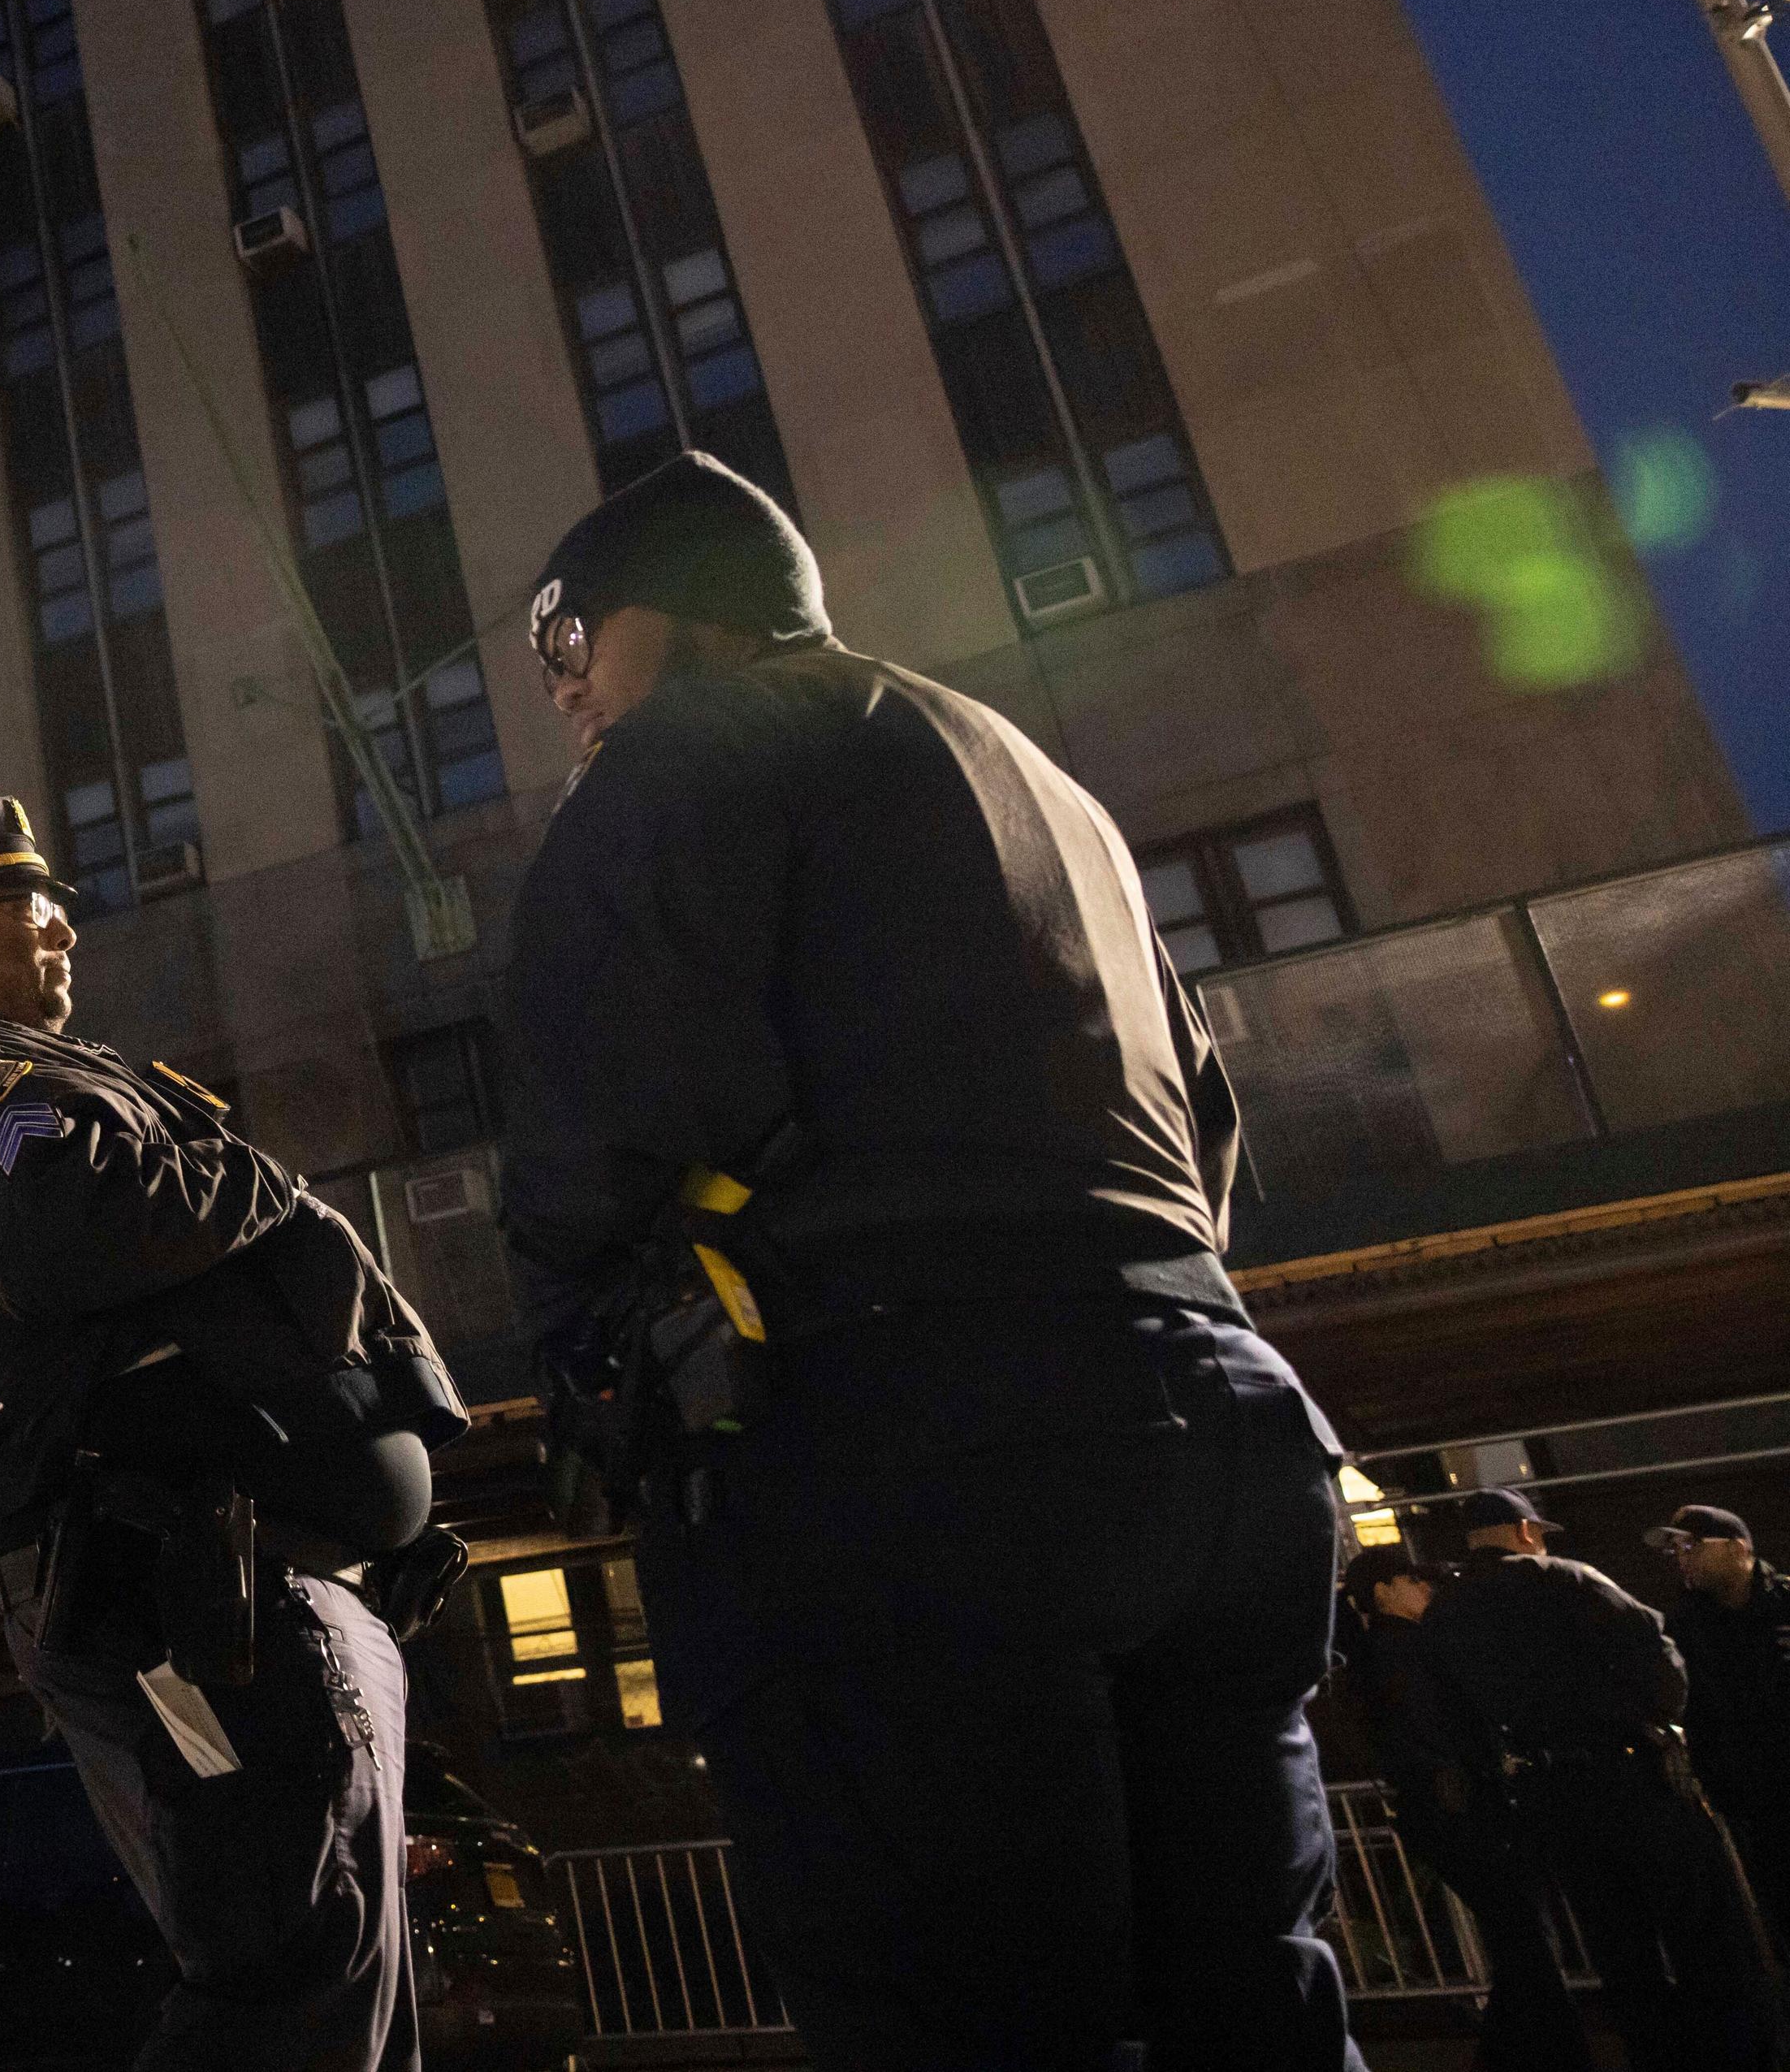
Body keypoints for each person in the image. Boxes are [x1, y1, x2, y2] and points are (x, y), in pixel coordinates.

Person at [495, 452, 1360, 2072]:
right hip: (1218, 1420)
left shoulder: (686, 752)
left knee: (965, 2013)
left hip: (910, 1450)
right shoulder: (1038, 773)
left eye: (567, 640)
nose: (561, 692)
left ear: (678, 619)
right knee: (1251, 1998)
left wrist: (593, 1364)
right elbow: (1208, 1118)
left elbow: (590, 1114)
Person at [0, 798, 469, 2072]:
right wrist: (265, 1186)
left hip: (268, 1576)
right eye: (24, 902)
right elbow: (72, 1224)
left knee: (350, 1980)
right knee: (287, 1968)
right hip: (180, 1582)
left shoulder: (68, 1072)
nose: (64, 923)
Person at [1421, 1487, 1783, 2070]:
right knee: (1701, 1930)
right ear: (1525, 1532)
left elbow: (1451, 1716)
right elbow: (1654, 1648)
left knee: (1618, 1946)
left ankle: (1657, 2054)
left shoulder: (1445, 1611)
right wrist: (1659, 1719)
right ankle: (1739, 2053)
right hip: (1628, 1773)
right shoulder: (1566, 1578)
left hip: (1547, 1792)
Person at [1332, 1545, 1581, 2070]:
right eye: (1412, 1580)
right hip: (1465, 1813)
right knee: (1527, 1939)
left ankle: (1520, 2053)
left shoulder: (1388, 1652)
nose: (1426, 1589)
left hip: (1452, 1814)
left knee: (1521, 1942)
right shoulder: (1400, 1652)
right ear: (1382, 1592)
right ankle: (1550, 2054)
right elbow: (1437, 1731)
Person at [1655, 1503, 1790, 1931]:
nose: (1682, 1557)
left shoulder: (1785, 1603)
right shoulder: (1683, 1627)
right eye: (1674, 1549)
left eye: (1691, 1545)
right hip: (1751, 1799)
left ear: (1736, 1548)